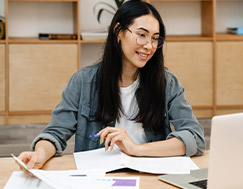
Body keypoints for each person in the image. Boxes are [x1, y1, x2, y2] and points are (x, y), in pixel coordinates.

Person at [16, 0, 205, 171]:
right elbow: (55, 133)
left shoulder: (167, 83)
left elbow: (194, 138)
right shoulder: (83, 82)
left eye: (155, 38)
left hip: (150, 174)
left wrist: (137, 149)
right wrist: (39, 154)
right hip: (99, 177)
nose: (149, 45)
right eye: (141, 35)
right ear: (118, 32)